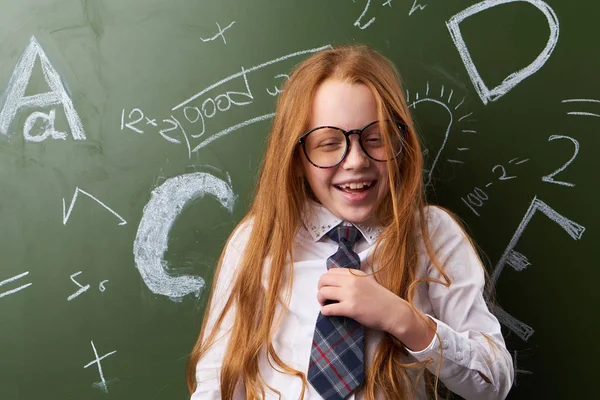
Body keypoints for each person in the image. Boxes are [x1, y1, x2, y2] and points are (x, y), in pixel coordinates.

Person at [186, 45, 514, 400]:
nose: (356, 161)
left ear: (401, 143)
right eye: (328, 143)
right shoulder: (259, 239)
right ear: (297, 157)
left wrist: (403, 319)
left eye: (375, 138)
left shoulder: (431, 234)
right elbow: (215, 382)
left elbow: (494, 382)